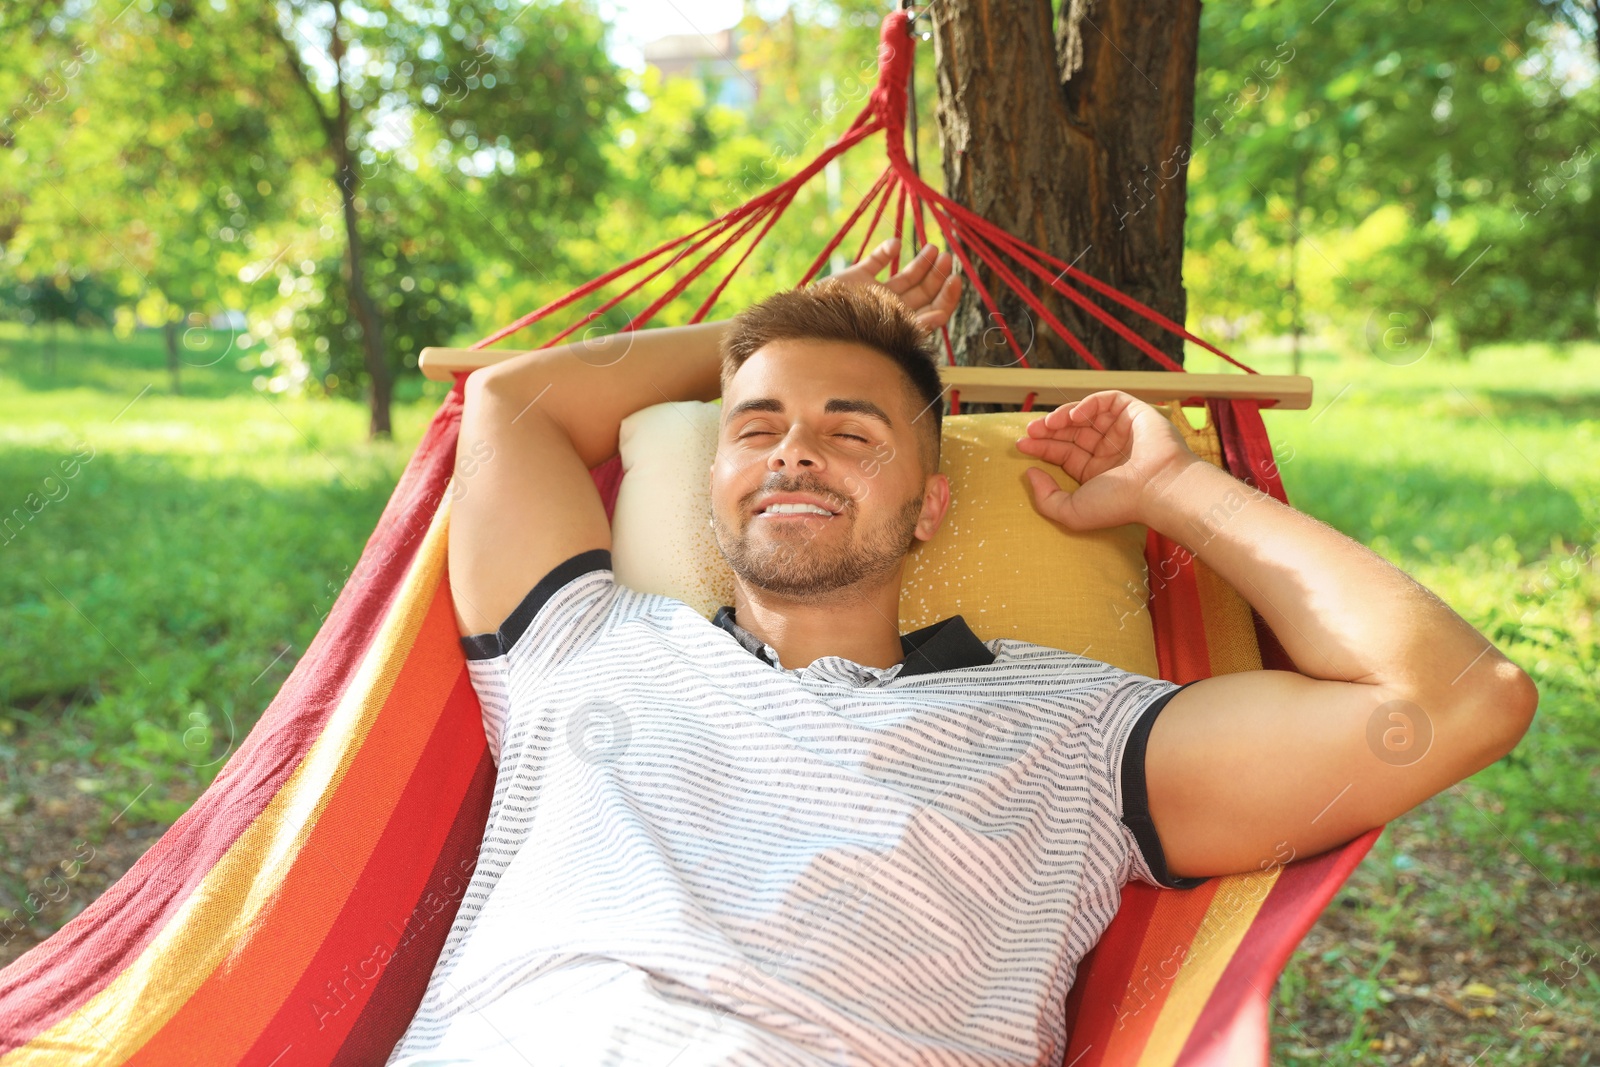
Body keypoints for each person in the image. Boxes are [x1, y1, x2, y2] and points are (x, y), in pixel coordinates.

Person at [389, 239, 1536, 1065]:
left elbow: (1454, 698)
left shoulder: (1078, 733)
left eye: (850, 431)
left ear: (932, 507)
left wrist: (1178, 490)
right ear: (714, 481)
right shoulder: (584, 643)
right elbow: (513, 405)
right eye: (754, 427)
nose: (793, 452)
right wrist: (801, 311)